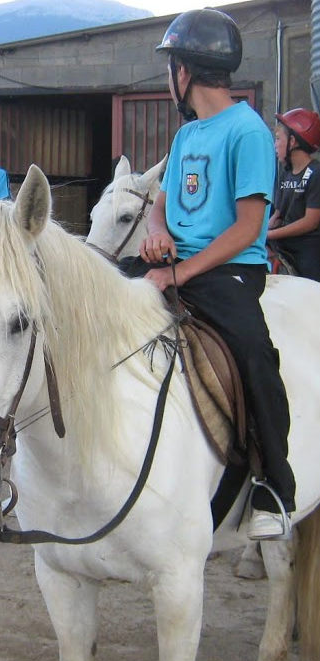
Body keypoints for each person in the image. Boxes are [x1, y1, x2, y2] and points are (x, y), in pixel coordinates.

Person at [124, 8, 294, 540]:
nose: (168, 75)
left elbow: (248, 229)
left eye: (170, 65)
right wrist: (158, 234)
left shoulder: (247, 131)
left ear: (187, 71)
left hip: (230, 271)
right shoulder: (186, 137)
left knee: (255, 356)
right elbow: (161, 207)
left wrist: (181, 272)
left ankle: (274, 487)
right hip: (176, 263)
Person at [266, 108, 320, 281]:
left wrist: (271, 235)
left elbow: (310, 222)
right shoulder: (286, 172)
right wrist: (262, 230)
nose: (275, 145)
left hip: (308, 249)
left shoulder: (315, 173)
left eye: (278, 139)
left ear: (293, 141)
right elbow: (279, 214)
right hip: (286, 244)